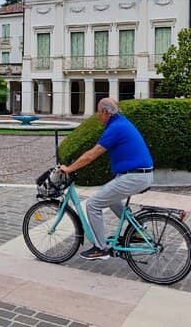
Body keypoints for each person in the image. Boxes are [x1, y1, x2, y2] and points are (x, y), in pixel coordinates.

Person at [59, 97, 153, 260]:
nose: (97, 116)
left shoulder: (116, 128)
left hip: (134, 176)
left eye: (98, 112)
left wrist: (69, 168)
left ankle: (100, 248)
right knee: (111, 199)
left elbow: (91, 155)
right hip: (139, 174)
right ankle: (137, 231)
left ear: (105, 112)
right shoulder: (121, 123)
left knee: (93, 204)